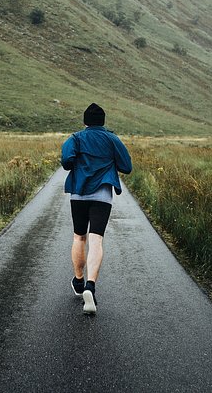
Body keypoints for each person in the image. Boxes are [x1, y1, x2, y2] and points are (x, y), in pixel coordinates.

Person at [61, 103, 132, 314]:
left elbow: (66, 161)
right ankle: (91, 285)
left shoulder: (75, 138)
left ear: (85, 122)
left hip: (78, 193)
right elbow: (126, 166)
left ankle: (79, 281)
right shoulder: (112, 139)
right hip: (102, 194)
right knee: (96, 239)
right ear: (103, 121)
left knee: (78, 237)